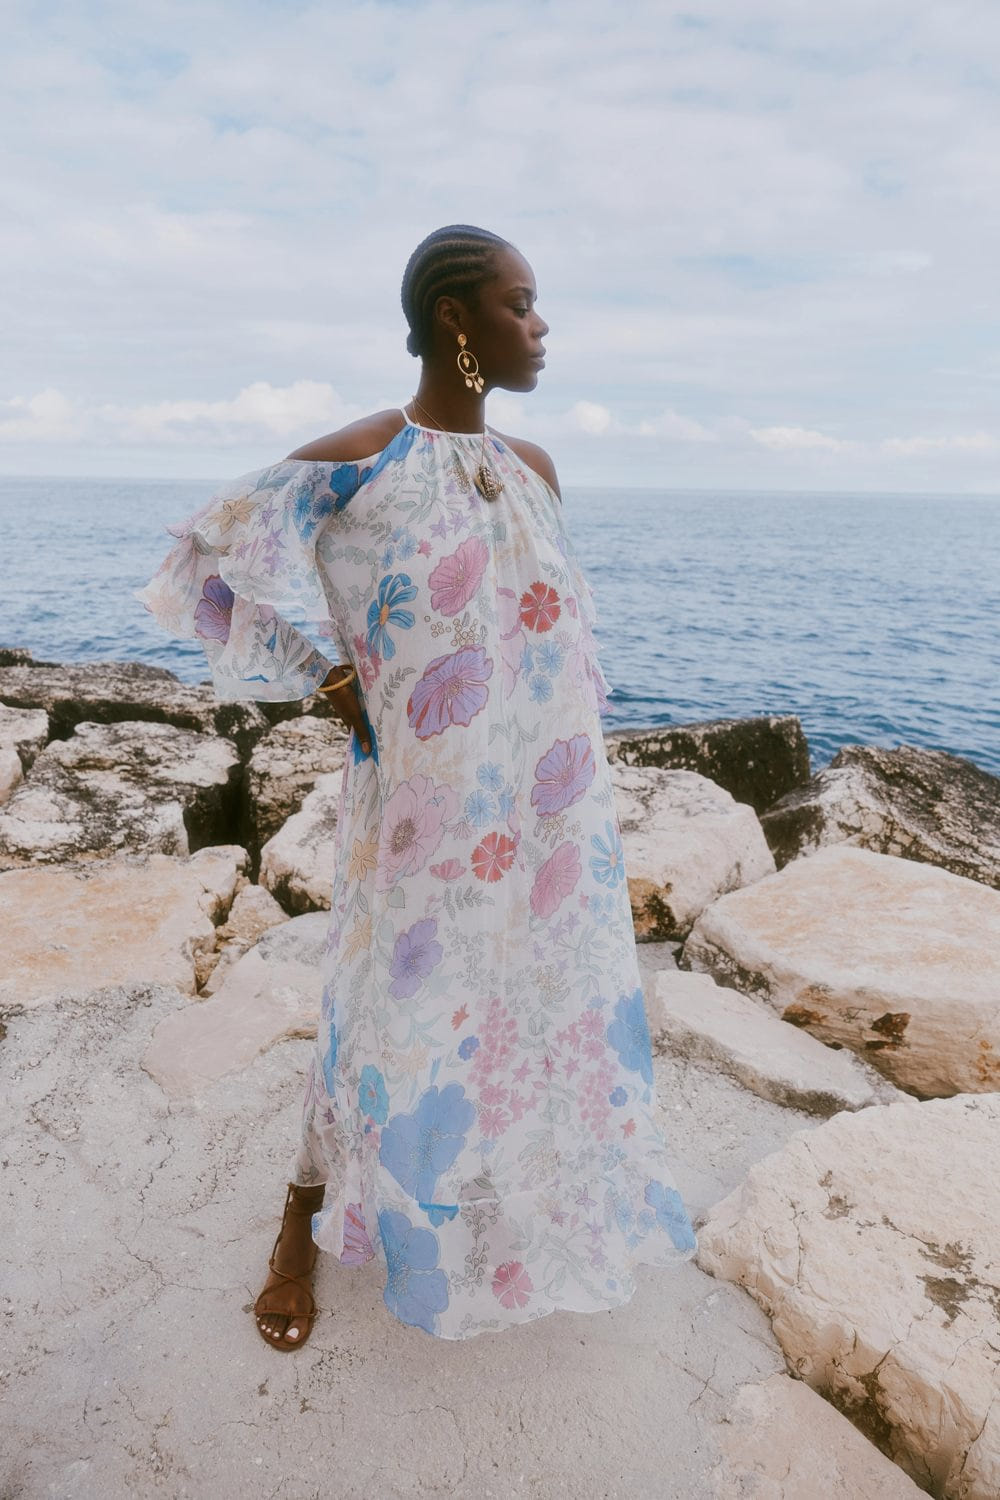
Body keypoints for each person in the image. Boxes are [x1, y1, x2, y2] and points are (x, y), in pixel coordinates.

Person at [136, 224, 698, 1347]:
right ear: (456, 317)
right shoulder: (376, 453)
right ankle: (302, 1213)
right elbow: (196, 562)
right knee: (382, 1008)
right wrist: (322, 676)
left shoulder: (534, 469)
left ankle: (490, 1202)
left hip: (550, 815)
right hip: (423, 812)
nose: (540, 326)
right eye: (520, 303)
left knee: (530, 1006)